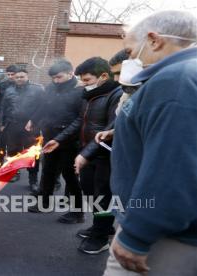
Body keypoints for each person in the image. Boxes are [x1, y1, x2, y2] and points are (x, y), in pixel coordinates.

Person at [103, 11, 197, 275]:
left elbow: (173, 168)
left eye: (132, 51)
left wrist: (137, 235)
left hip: (165, 237)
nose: (133, 59)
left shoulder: (175, 80)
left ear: (154, 40)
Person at [43, 57, 122, 254]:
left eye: (86, 80)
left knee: (103, 198)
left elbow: (110, 128)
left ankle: (101, 237)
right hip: (88, 153)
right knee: (90, 192)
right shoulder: (90, 96)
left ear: (103, 76)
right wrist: (59, 139)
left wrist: (85, 154)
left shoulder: (116, 95)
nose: (83, 84)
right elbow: (80, 121)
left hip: (106, 156)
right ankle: (100, 226)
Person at [26, 59, 84, 223]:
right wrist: (33, 120)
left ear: (70, 73)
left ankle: (77, 212)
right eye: (53, 78)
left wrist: (62, 137)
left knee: (70, 175)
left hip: (70, 139)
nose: (56, 81)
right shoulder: (51, 88)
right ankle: (45, 203)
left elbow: (80, 118)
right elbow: (43, 107)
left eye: (59, 77)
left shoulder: (80, 91)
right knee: (48, 170)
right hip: (50, 136)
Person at [0, 67, 43, 185]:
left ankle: (32, 179)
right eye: (17, 77)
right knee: (13, 150)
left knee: (32, 153)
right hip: (13, 125)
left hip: (30, 126)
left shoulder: (37, 90)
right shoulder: (9, 90)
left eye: (22, 77)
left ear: (27, 76)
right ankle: (14, 173)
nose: (19, 79)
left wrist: (34, 121)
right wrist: (2, 124)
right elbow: (3, 107)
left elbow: (42, 108)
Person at [0, 65, 18, 165]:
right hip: (3, 117)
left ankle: (12, 167)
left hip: (16, 119)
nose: (10, 76)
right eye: (8, 74)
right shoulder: (3, 84)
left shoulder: (21, 85)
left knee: (14, 144)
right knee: (1, 142)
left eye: (12, 74)